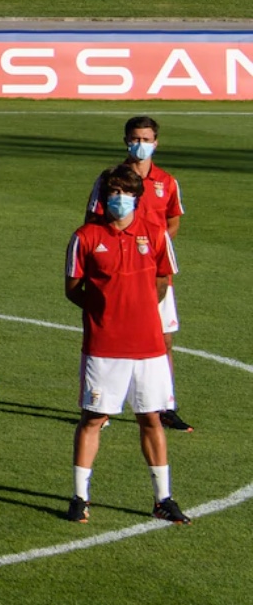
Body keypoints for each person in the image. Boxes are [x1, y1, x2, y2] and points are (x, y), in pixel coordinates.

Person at [65, 165, 189, 526]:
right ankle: (79, 497)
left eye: (125, 192)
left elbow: (164, 278)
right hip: (104, 346)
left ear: (137, 196)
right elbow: (73, 288)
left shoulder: (156, 233)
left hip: (149, 347)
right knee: (92, 418)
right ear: (104, 197)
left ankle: (163, 499)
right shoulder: (85, 236)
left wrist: (143, 307)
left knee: (151, 418)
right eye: (113, 192)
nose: (118, 198)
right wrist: (106, 310)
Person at [87, 116, 188, 430]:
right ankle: (100, 406)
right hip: (115, 276)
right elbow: (92, 222)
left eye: (146, 139)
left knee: (164, 339)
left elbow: (173, 221)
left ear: (156, 142)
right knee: (109, 338)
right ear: (126, 141)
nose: (140, 145)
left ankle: (165, 406)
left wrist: (154, 249)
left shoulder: (167, 182)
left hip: (155, 275)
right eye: (135, 139)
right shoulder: (110, 181)